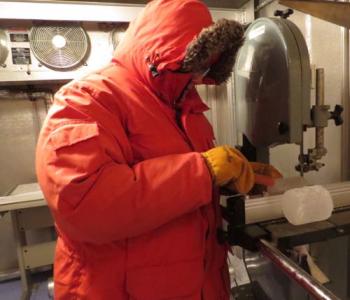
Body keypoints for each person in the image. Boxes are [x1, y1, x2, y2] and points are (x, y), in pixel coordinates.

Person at [36, 0, 279, 299]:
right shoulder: (87, 100)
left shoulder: (187, 109)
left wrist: (230, 181)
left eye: (207, 66)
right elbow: (86, 207)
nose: (201, 77)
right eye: (197, 64)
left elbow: (184, 197)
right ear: (165, 54)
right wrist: (204, 171)